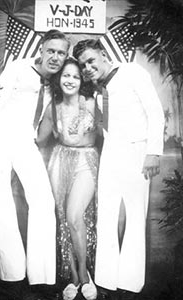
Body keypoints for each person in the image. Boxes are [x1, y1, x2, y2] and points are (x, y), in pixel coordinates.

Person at [0, 30, 70, 299]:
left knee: (43, 201)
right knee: (1, 205)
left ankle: (40, 277)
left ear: (66, 56)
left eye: (61, 53)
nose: (55, 57)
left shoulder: (56, 81)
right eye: (51, 51)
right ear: (41, 50)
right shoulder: (18, 67)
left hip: (25, 144)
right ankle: (12, 276)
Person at [73, 39, 165, 300]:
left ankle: (130, 282)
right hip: (111, 154)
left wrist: (153, 152)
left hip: (138, 152)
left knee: (135, 216)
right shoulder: (97, 89)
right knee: (107, 215)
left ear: (103, 55)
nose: (88, 68)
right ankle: (105, 278)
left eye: (91, 60)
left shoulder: (133, 72)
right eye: (83, 65)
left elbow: (155, 112)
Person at [36, 57, 101, 300]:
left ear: (81, 79)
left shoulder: (93, 104)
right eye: (65, 75)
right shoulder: (52, 107)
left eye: (75, 75)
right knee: (64, 219)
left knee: (75, 215)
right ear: (58, 79)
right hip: (60, 159)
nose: (70, 80)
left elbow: (109, 135)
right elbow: (40, 140)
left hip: (86, 160)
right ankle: (73, 277)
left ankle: (85, 276)